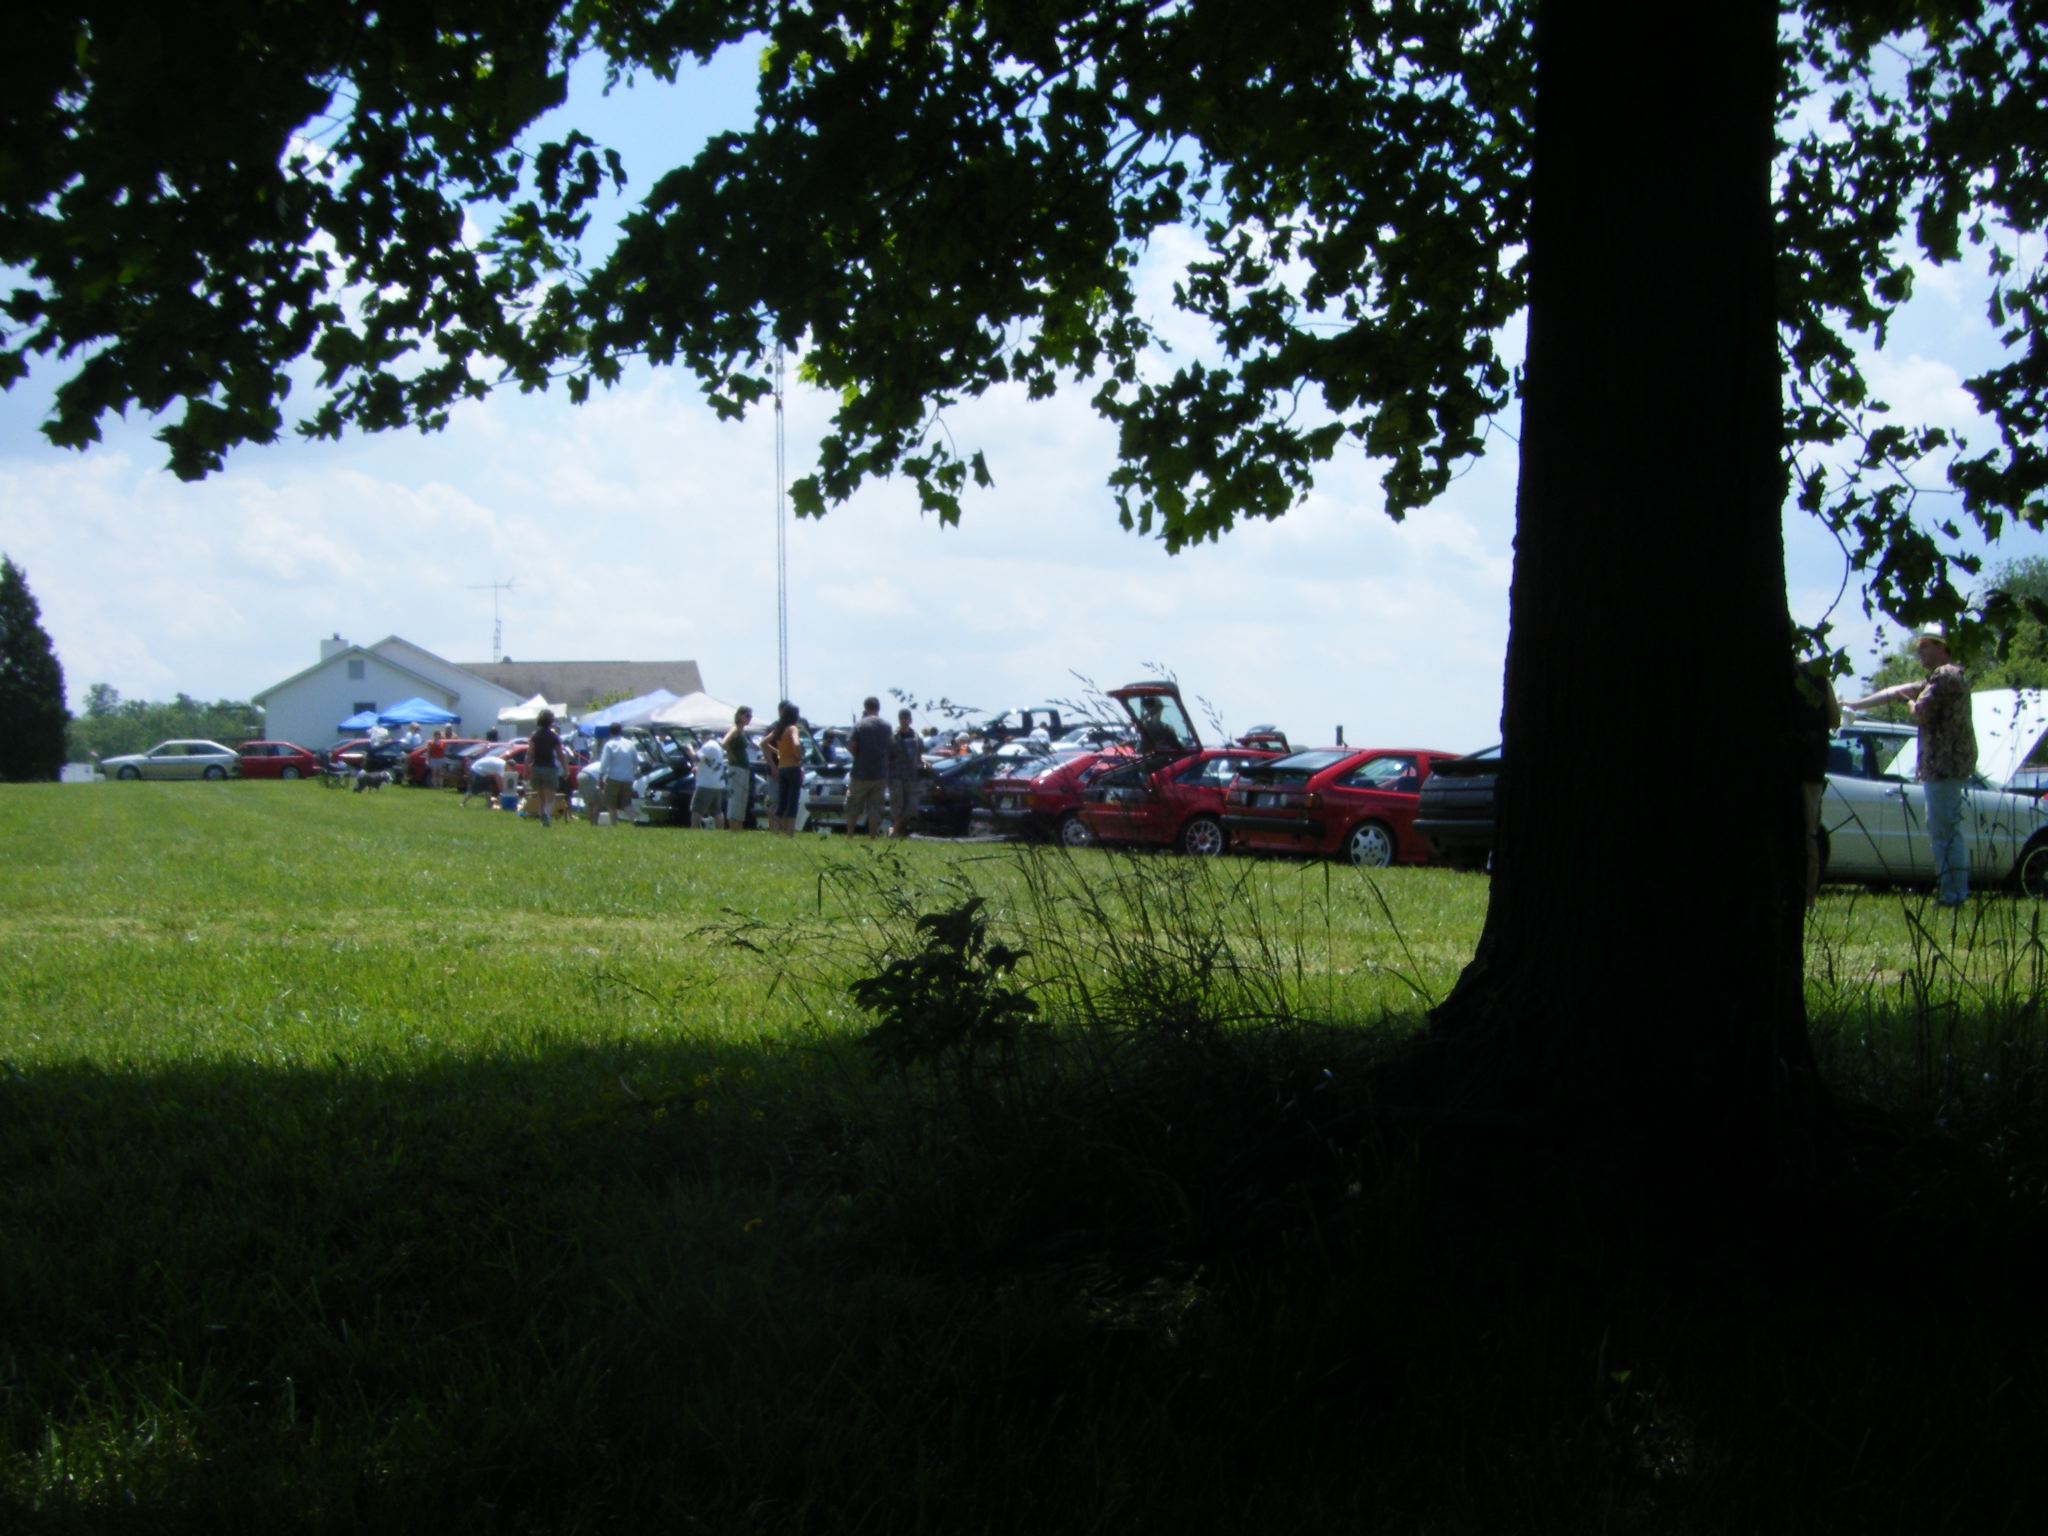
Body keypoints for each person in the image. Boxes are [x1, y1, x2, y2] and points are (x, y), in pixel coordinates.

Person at [1843, 627, 1977, 907]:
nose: (1919, 654)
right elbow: (1896, 691)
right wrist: (1856, 704)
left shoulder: (1945, 676)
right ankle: (1953, 892)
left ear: (1940, 647)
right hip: (1946, 764)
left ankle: (1952, 895)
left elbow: (1921, 712)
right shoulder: (1943, 677)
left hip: (1944, 764)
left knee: (1944, 831)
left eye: (1923, 648)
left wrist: (1909, 703)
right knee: (1945, 829)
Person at [1790, 653, 1841, 908]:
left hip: (1786, 766)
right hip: (1811, 766)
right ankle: (1808, 898)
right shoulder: (1818, 675)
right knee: (1809, 833)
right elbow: (1835, 719)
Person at [846, 697, 892, 836]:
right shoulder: (887, 726)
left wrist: (857, 756)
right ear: (878, 708)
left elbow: (851, 744)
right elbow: (891, 747)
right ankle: (872, 836)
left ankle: (850, 834)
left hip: (861, 772)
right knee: (875, 808)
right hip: (880, 772)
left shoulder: (860, 724)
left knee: (854, 805)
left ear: (866, 708)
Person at [763, 701, 806, 835]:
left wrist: (778, 751)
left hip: (782, 768)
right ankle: (790, 832)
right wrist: (798, 756)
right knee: (792, 802)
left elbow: (763, 743)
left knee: (781, 802)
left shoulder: (779, 729)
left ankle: (775, 830)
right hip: (793, 767)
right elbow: (796, 743)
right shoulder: (792, 728)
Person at [527, 707, 568, 827]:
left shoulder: (534, 736)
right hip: (549, 768)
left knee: (541, 797)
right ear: (551, 721)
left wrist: (526, 768)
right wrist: (566, 769)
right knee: (550, 798)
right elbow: (560, 754)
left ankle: (542, 821)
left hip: (536, 768)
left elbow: (530, 754)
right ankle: (546, 814)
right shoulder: (554, 736)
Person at [889, 708, 924, 839]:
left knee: (911, 808)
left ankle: (894, 829)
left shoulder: (916, 737)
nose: (904, 720)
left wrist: (921, 763)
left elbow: (919, 754)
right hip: (896, 776)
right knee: (897, 807)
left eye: (906, 718)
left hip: (912, 776)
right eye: (902, 718)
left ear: (910, 720)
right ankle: (896, 832)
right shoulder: (893, 737)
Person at [598, 723, 639, 826]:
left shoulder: (609, 744)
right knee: (626, 804)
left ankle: (614, 825)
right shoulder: (630, 744)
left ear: (610, 732)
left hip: (613, 777)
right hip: (628, 778)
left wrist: (601, 777)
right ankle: (635, 820)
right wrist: (633, 774)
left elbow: (604, 763)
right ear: (621, 731)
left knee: (611, 804)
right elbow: (636, 761)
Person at [721, 706, 754, 830]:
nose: (749, 718)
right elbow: (724, 742)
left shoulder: (742, 731)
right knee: (735, 798)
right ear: (739, 715)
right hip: (736, 769)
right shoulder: (735, 729)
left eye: (750, 716)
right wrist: (731, 754)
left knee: (742, 799)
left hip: (743, 768)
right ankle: (733, 827)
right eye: (747, 716)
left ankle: (738, 826)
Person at [691, 733, 727, 828]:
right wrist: (697, 768)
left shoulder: (708, 746)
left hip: (706, 784)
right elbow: (708, 762)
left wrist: (689, 748)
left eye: (701, 738)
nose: (701, 740)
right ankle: (721, 831)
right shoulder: (717, 746)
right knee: (716, 811)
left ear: (706, 737)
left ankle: (694, 829)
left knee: (697, 809)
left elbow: (695, 757)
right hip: (717, 783)